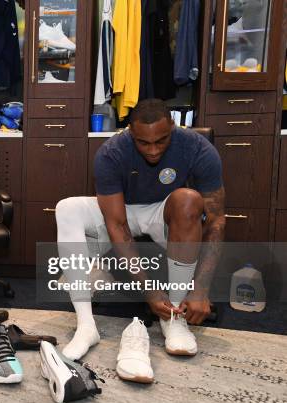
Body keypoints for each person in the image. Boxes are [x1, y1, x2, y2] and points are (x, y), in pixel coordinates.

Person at [55, 99, 225, 365]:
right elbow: (118, 224)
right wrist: (149, 291)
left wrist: (201, 289)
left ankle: (174, 317)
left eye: (161, 140)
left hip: (164, 212)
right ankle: (86, 326)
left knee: (189, 199)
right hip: (121, 210)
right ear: (130, 133)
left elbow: (216, 221)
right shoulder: (111, 152)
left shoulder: (197, 147)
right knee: (66, 208)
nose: (154, 150)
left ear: (173, 126)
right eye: (144, 143)